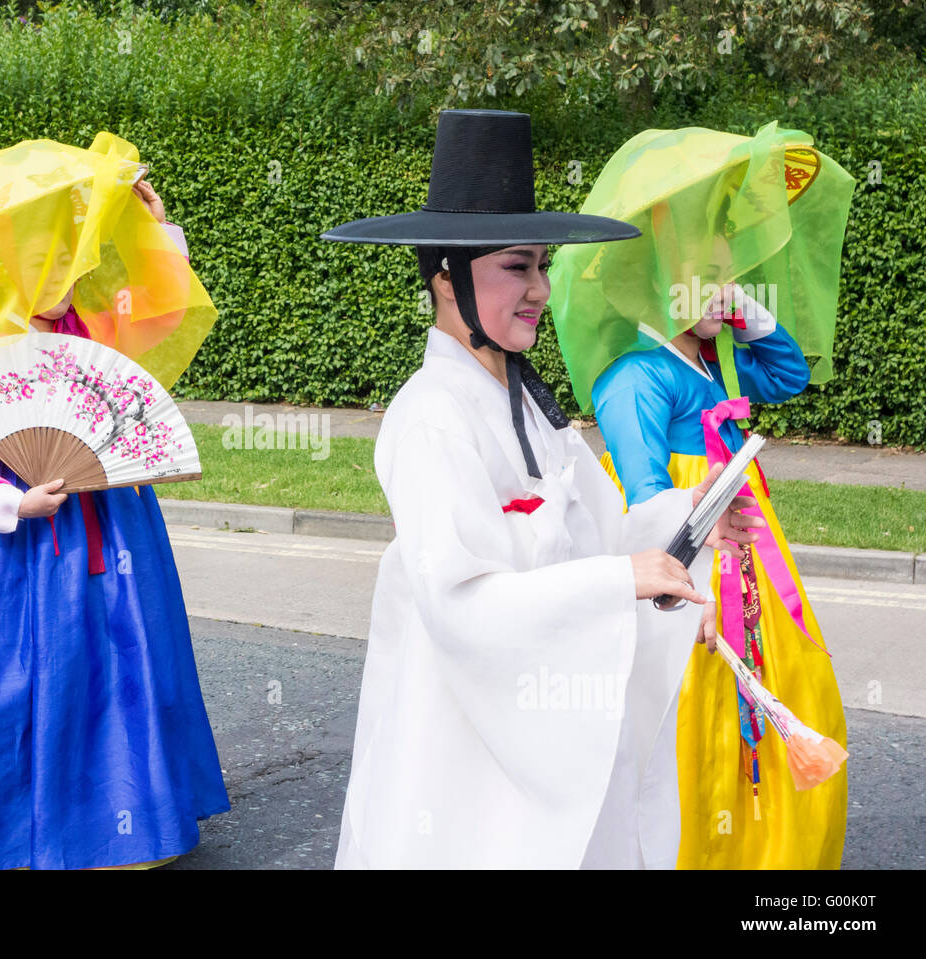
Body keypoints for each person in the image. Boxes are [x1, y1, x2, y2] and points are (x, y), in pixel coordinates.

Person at [320, 109, 763, 868]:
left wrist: (681, 520)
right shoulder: (429, 417)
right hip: (463, 735)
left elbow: (593, 533)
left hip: (541, 718)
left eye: (543, 266)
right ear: (447, 280)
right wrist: (621, 580)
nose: (541, 289)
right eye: (517, 267)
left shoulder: (529, 403)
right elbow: (461, 602)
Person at [0, 137, 229, 870]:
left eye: (75, 251)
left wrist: (158, 232)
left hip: (106, 529)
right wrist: (9, 503)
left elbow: (158, 316)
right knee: (3, 680)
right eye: (52, 257)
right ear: (15, 263)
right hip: (9, 549)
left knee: (117, 669)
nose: (70, 268)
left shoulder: (85, 332)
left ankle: (112, 820)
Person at [549, 126, 853, 868]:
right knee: (702, 702)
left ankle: (761, 846)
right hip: (696, 565)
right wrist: (694, 583)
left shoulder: (713, 361)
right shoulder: (635, 378)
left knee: (780, 679)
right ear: (660, 283)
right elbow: (647, 502)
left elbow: (785, 377)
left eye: (729, 272)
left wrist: (753, 319)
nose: (726, 286)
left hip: (747, 551)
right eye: (706, 275)